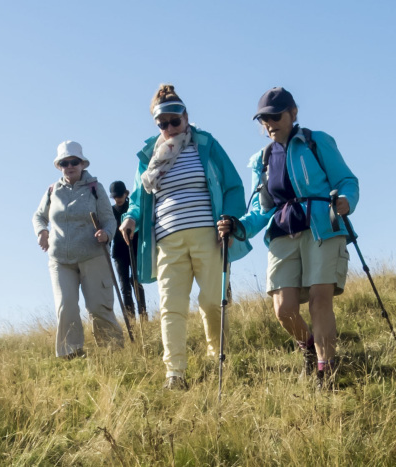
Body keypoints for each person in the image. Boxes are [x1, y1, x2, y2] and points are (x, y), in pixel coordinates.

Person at [218, 87, 359, 389]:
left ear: (293, 113)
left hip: (323, 225)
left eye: (276, 116)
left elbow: (346, 179)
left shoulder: (316, 142)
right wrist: (238, 226)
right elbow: (260, 209)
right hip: (282, 231)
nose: (270, 123)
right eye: (264, 119)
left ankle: (327, 371)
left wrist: (346, 198)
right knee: (284, 310)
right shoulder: (262, 160)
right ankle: (309, 349)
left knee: (321, 300)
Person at [120, 84, 249, 390]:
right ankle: (174, 374)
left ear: (186, 116)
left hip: (208, 235)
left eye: (174, 121)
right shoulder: (149, 154)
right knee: (171, 306)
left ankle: (219, 357)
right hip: (167, 240)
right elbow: (139, 197)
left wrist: (229, 218)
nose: (169, 128)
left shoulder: (205, 143)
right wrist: (130, 217)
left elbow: (232, 185)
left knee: (211, 300)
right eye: (161, 124)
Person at [33, 140, 125, 359]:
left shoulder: (95, 188)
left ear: (82, 164)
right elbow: (38, 216)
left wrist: (107, 234)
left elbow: (109, 220)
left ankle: (112, 352)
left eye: (74, 161)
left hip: (93, 255)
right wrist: (41, 232)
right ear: (59, 166)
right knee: (66, 307)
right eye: (64, 162)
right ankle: (70, 354)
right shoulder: (52, 191)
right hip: (60, 260)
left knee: (98, 307)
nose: (69, 166)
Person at [110, 180, 146, 318]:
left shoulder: (133, 209)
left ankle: (143, 315)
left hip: (135, 249)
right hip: (119, 253)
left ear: (126, 194)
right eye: (114, 196)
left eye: (119, 195)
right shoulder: (111, 211)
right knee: (124, 286)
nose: (117, 199)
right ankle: (130, 320)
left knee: (136, 281)